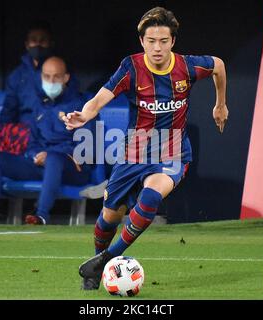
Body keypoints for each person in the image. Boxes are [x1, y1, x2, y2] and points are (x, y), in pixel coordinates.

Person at [62, 7, 228, 290]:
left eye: (163, 41)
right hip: (136, 150)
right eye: (151, 41)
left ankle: (107, 259)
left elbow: (219, 65)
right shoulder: (131, 68)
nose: (158, 48)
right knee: (110, 216)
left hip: (174, 149)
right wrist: (84, 115)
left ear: (173, 41)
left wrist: (220, 104)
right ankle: (96, 266)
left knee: (151, 196)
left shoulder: (187, 67)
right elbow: (99, 99)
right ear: (142, 42)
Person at [0, 56, 91, 225]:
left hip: (72, 168)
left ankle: (40, 215)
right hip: (41, 165)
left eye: (56, 76)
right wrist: (36, 155)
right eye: (47, 76)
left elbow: (86, 151)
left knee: (54, 158)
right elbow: (31, 142)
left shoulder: (83, 107)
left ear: (66, 78)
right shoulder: (40, 106)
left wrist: (52, 155)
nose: (51, 81)